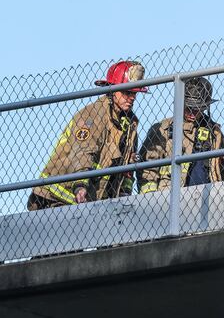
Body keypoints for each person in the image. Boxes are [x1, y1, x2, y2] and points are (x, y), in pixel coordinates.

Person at [27, 61, 147, 210]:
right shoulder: (92, 115)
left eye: (134, 93)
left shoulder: (130, 125)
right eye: (126, 92)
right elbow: (82, 152)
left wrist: (125, 193)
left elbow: (128, 166)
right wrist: (80, 185)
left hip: (93, 203)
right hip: (56, 196)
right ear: (112, 89)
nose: (132, 98)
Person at [137, 76, 224, 194]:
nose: (192, 113)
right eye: (188, 108)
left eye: (197, 109)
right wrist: (152, 199)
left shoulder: (214, 133)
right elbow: (147, 168)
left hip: (207, 202)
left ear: (205, 107)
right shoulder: (162, 130)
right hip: (169, 199)